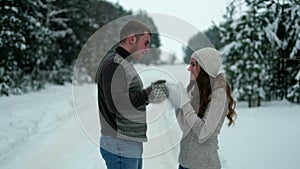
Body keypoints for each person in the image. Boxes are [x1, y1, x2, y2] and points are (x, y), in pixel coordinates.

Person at [96, 20, 168, 169]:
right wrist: (147, 95)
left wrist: (149, 93)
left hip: (127, 143)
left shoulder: (123, 63)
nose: (147, 49)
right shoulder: (114, 64)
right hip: (120, 144)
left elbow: (131, 97)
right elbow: (117, 104)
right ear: (132, 39)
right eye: (146, 43)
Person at [167, 47, 236, 169]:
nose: (189, 68)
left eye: (193, 65)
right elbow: (186, 128)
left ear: (205, 68)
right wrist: (177, 104)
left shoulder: (219, 94)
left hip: (204, 165)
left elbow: (203, 134)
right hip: (184, 164)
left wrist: (185, 104)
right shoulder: (197, 90)